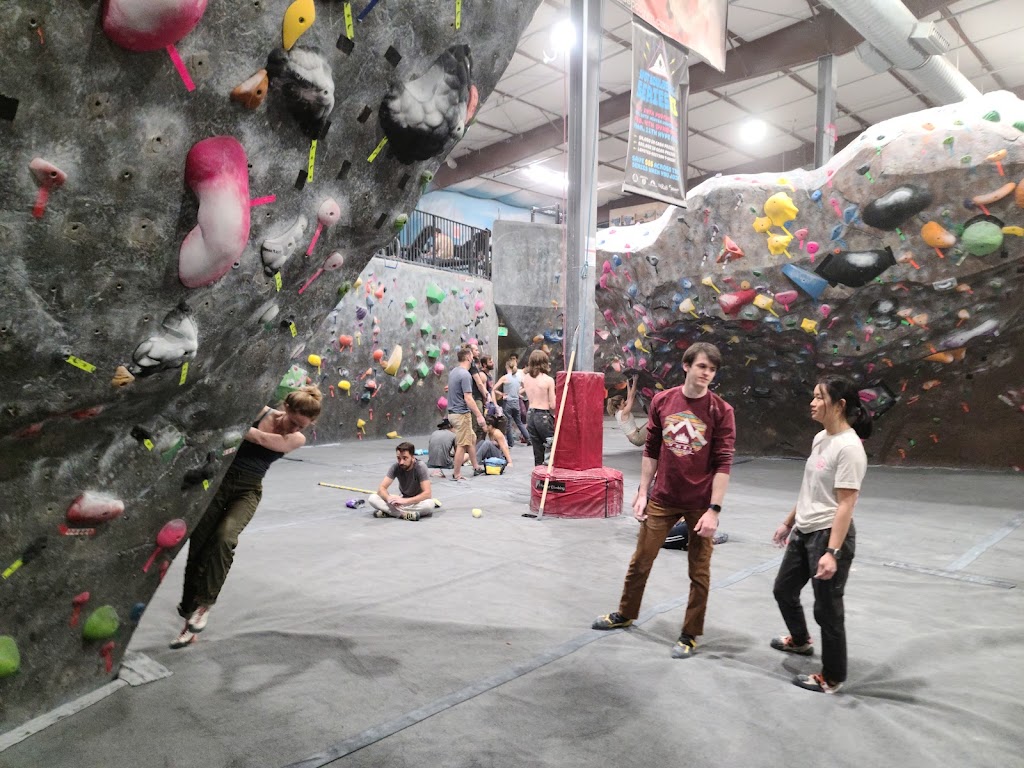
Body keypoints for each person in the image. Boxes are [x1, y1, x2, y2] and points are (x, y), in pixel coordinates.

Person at [591, 342, 735, 659]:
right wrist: (643, 490)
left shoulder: (721, 411)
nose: (707, 373)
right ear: (686, 366)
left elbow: (723, 463)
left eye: (711, 369)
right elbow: (651, 449)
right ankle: (625, 613)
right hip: (664, 496)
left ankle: (689, 634)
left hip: (700, 502)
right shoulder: (663, 401)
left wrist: (714, 509)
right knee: (641, 560)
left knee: (699, 573)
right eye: (701, 366)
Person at [173, 386, 322, 648]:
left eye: (303, 427)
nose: (296, 430)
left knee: (225, 538)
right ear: (286, 408)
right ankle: (188, 618)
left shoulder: (297, 439)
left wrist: (232, 425)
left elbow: (262, 441)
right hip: (217, 486)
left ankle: (204, 606)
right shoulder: (259, 412)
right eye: (295, 422)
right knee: (198, 550)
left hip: (248, 490)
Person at [770, 375, 870, 694]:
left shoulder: (850, 449)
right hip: (804, 529)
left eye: (819, 398)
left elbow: (845, 504)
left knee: (827, 610)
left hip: (828, 536)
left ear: (839, 405)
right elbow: (809, 489)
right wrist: (789, 522)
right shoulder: (820, 439)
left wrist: (832, 552)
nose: (812, 403)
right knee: (784, 590)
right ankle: (800, 641)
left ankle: (832, 677)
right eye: (812, 397)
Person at [368, 441, 436, 521]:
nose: (401, 462)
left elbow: (427, 494)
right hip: (401, 500)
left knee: (430, 505)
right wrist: (389, 498)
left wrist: (405, 501)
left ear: (412, 457)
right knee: (372, 498)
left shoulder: (420, 467)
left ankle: (389, 512)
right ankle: (405, 515)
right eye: (399, 458)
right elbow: (382, 488)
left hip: (416, 501)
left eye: (405, 458)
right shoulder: (396, 467)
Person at [447, 347, 487, 481]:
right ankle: (457, 473)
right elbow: (468, 398)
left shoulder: (453, 372)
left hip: (453, 413)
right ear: (469, 357)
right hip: (461, 414)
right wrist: (479, 415)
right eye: (472, 355)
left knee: (472, 438)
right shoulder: (465, 375)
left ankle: (476, 467)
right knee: (462, 444)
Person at [521, 349, 556, 466]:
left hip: (530, 414)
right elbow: (553, 405)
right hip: (543, 415)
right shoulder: (548, 380)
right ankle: (549, 477)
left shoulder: (526, 378)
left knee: (537, 450)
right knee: (551, 447)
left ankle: (538, 478)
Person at [495, 355, 530, 447]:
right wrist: (517, 392)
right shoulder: (518, 378)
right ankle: (528, 438)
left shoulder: (505, 378)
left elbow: (494, 388)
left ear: (507, 367)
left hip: (508, 402)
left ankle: (510, 443)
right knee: (519, 422)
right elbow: (525, 386)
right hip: (516, 402)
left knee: (508, 424)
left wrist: (502, 394)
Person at [607, 375, 647, 447]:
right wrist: (635, 382)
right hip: (637, 438)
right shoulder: (623, 413)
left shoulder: (618, 412)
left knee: (651, 422)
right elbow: (631, 397)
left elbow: (629, 397)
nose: (625, 403)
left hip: (636, 435)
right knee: (654, 423)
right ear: (618, 406)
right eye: (623, 403)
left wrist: (628, 384)